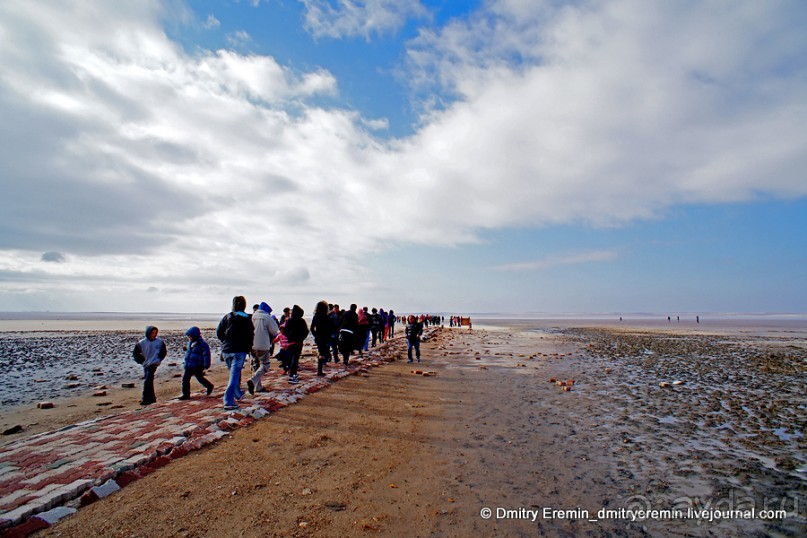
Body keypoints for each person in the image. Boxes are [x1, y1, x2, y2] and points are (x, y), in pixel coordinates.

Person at [217, 296, 255, 410]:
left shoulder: (228, 316)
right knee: (234, 376)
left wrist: (225, 341)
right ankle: (228, 400)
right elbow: (250, 336)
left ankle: (238, 393)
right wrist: (248, 348)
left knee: (234, 374)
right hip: (239, 351)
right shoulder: (247, 319)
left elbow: (219, 332)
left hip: (227, 350)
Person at [247, 302, 279, 394]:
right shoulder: (267, 317)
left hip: (251, 345)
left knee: (255, 365)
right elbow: (274, 332)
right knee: (265, 365)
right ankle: (253, 380)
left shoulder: (252, 316)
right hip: (263, 345)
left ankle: (258, 387)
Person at [133, 325, 167, 406]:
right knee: (149, 380)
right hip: (146, 364)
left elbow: (164, 352)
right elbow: (136, 354)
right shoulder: (141, 343)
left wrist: (159, 359)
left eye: (155, 333)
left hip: (154, 363)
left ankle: (145, 399)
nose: (154, 335)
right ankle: (152, 398)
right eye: (152, 333)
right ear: (148, 333)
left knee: (148, 380)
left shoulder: (159, 342)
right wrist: (141, 361)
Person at [180, 326, 213, 399]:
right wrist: (186, 349)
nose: (189, 338)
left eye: (190, 336)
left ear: (194, 336)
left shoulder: (203, 344)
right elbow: (190, 352)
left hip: (197, 365)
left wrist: (206, 364)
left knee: (200, 378)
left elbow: (206, 355)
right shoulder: (191, 343)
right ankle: (186, 394)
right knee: (185, 380)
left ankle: (209, 386)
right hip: (189, 364)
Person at [283, 305, 309, 384]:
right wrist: (302, 338)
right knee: (295, 359)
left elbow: (285, 331)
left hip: (291, 342)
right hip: (298, 342)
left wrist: (289, 337)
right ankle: (292, 375)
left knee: (291, 358)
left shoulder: (289, 321)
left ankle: (291, 372)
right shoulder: (302, 321)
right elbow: (306, 331)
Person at [310, 300, 334, 376]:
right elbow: (330, 328)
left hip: (319, 336)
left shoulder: (315, 316)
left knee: (321, 351)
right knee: (323, 352)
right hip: (325, 336)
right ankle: (320, 370)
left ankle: (320, 369)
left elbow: (312, 328)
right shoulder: (327, 317)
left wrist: (315, 335)